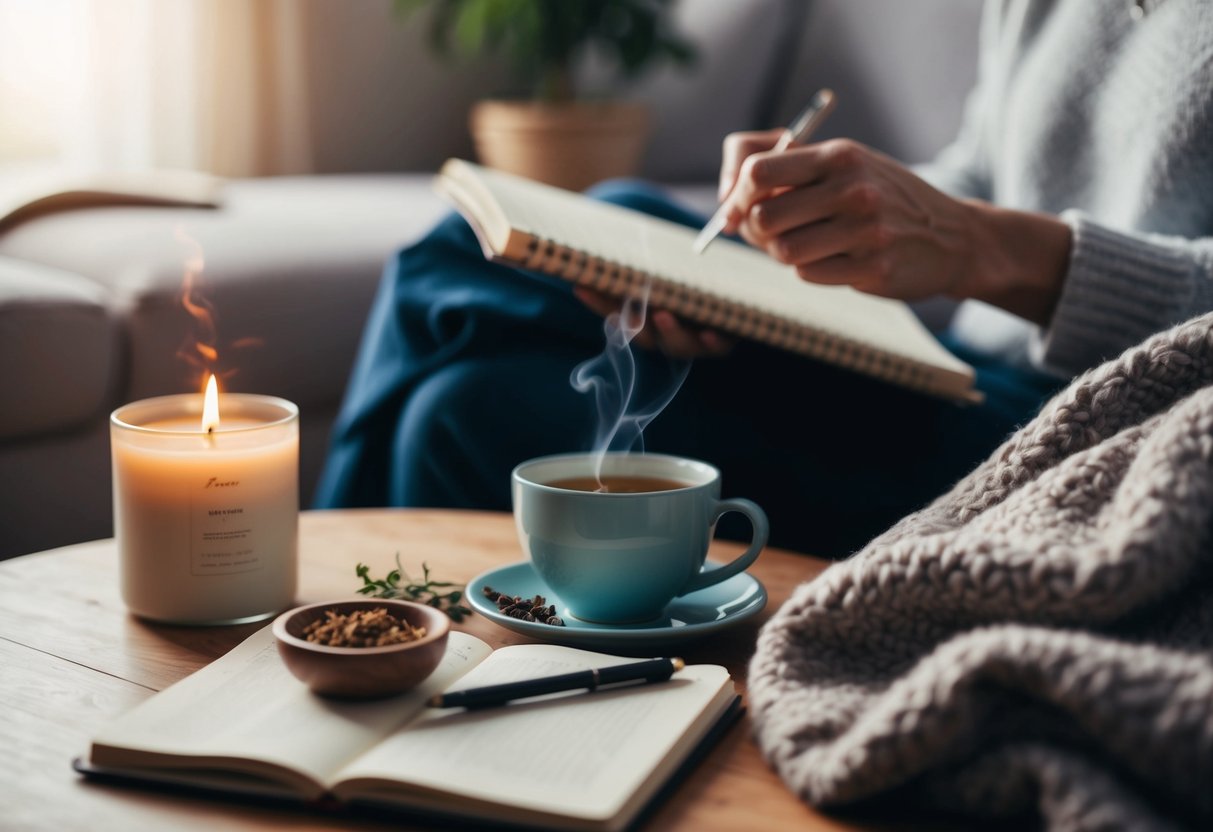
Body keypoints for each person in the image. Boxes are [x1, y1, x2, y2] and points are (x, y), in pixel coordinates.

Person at [315, 0, 1213, 558]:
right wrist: (838, 209)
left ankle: (334, 646)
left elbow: (983, 229)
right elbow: (982, 174)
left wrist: (984, 249)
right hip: (963, 368)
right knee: (523, 237)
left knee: (466, 409)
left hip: (1102, 437)